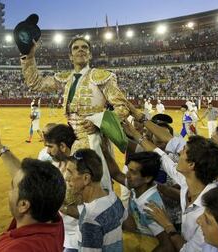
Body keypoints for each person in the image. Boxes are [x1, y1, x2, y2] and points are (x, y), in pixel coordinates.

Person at [21, 35, 139, 191]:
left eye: (85, 47)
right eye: (76, 48)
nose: (80, 50)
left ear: (90, 54)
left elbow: (122, 107)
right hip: (71, 138)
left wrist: (99, 123)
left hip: (93, 138)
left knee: (93, 185)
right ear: (70, 56)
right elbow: (35, 83)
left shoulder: (101, 76)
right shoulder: (66, 78)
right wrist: (29, 56)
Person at [123, 123, 218, 252]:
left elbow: (189, 250)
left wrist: (168, 225)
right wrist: (134, 134)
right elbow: (161, 157)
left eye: (183, 152)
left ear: (191, 165)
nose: (178, 154)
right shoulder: (188, 180)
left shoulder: (211, 211)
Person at [0, 123, 66, 252]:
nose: (9, 192)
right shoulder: (53, 221)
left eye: (12, 188)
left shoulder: (19, 248)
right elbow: (27, 180)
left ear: (23, 205)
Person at [102, 148, 174, 252]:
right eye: (128, 169)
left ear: (147, 178)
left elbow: (167, 246)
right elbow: (116, 174)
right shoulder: (139, 187)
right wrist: (104, 150)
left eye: (133, 172)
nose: (127, 175)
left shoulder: (149, 206)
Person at [61, 149, 127, 251]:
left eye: (70, 173)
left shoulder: (90, 220)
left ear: (86, 178)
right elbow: (126, 221)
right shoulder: (113, 197)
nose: (66, 178)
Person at [43, 124, 79, 251]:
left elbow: (90, 212)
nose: (47, 151)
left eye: (50, 147)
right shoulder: (55, 164)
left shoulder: (79, 172)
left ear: (63, 146)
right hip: (59, 235)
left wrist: (57, 205)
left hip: (76, 240)